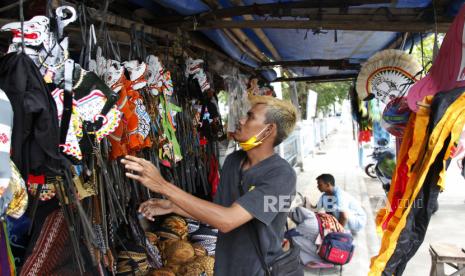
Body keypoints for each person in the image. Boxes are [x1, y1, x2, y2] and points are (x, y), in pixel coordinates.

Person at [121, 95, 301, 276]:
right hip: (225, 268)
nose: (241, 120)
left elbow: (227, 220)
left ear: (268, 130)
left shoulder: (282, 177)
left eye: (250, 116)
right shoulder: (233, 161)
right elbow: (217, 212)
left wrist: (163, 186)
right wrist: (172, 205)